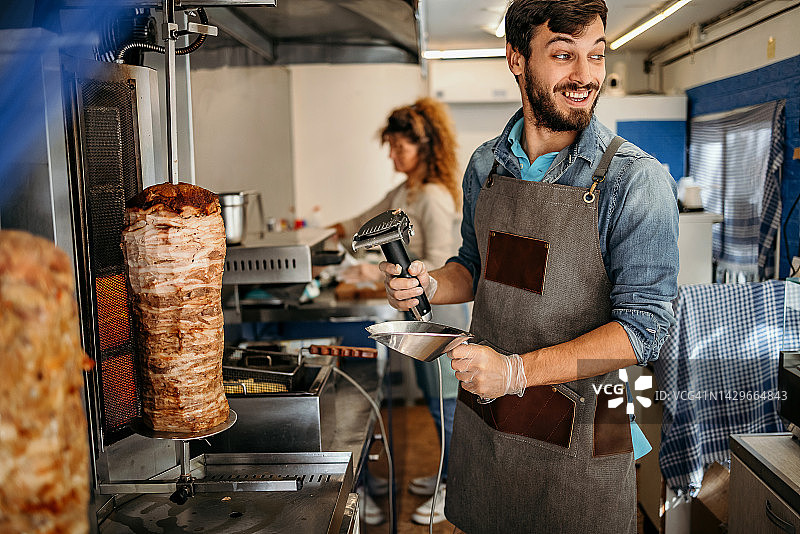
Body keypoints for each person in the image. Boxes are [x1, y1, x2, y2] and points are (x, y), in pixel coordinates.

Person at [377, 1, 680, 532]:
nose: (585, 77)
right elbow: (475, 267)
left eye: (596, 55)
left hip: (586, 435)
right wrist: (431, 281)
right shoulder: (486, 166)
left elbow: (644, 332)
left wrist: (516, 371)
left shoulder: (635, 182)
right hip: (491, 426)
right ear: (517, 58)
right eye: (564, 55)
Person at [333, 97, 467, 526]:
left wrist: (412, 279)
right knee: (432, 399)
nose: (392, 155)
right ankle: (446, 474)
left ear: (422, 146)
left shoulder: (432, 197)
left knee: (447, 404)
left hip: (444, 318)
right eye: (389, 146)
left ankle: (456, 487)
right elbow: (368, 220)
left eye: (398, 147)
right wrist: (336, 231)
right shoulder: (405, 191)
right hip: (419, 318)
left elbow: (448, 263)